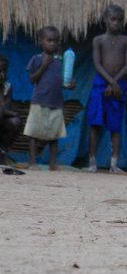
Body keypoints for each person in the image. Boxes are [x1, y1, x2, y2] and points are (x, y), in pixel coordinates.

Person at [87, 5, 127, 173]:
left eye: (120, 20)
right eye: (113, 19)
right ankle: (92, 161)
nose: (116, 23)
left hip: (119, 84)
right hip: (101, 83)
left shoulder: (126, 40)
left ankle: (114, 163)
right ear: (105, 20)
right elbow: (97, 63)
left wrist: (114, 83)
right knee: (95, 124)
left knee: (116, 124)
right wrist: (111, 82)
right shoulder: (98, 40)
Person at [24, 27, 68, 171]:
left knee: (54, 135)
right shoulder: (36, 59)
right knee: (34, 133)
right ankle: (32, 162)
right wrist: (44, 65)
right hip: (39, 101)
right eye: (49, 40)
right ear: (41, 41)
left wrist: (70, 85)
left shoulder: (60, 62)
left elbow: (61, 82)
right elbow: (32, 79)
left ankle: (53, 163)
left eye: (55, 41)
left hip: (56, 103)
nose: (52, 44)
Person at [0, 55, 23, 166]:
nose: (2, 74)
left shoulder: (7, 87)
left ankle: (2, 152)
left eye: (4, 70)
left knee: (15, 121)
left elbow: (6, 108)